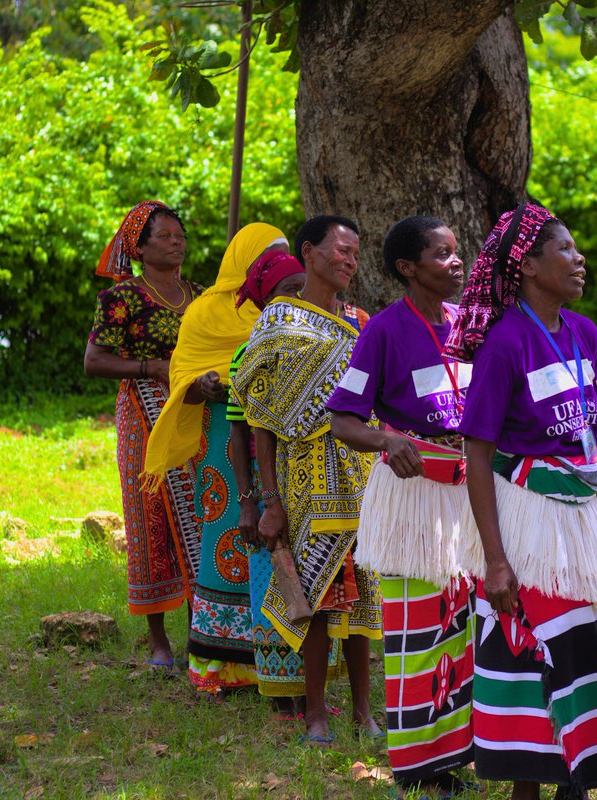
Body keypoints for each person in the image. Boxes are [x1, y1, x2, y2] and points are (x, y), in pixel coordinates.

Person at [446, 203, 597, 800]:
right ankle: (528, 788)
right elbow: (477, 456)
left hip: (579, 520)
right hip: (523, 517)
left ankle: (577, 782)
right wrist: (495, 560)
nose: (580, 260)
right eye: (567, 251)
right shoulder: (504, 345)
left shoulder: (584, 332)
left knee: (585, 644)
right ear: (526, 264)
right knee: (527, 654)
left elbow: (594, 431)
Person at [328, 216, 475, 795]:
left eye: (457, 251)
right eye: (441, 254)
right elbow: (343, 419)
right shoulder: (385, 331)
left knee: (462, 627)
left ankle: (458, 755)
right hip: (412, 496)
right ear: (408, 268)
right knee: (417, 630)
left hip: (469, 494)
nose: (455, 262)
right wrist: (389, 440)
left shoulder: (469, 326)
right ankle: (418, 764)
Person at [230, 215, 383, 745]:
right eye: (340, 249)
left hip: (362, 478)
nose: (348, 260)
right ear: (309, 252)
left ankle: (363, 711)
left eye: (355, 253)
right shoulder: (278, 322)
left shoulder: (363, 323)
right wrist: (267, 500)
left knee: (363, 595)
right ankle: (316, 712)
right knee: (315, 598)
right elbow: (260, 421)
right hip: (305, 476)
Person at [140, 222, 296, 697]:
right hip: (223, 439)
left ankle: (276, 654)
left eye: (281, 256)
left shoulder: (291, 306)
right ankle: (220, 663)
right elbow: (182, 371)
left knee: (278, 535)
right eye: (264, 257)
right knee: (226, 533)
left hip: (278, 439)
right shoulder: (206, 310)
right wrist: (203, 382)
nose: (273, 265)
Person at [84, 200, 205, 669]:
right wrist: (148, 367)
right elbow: (94, 362)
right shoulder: (123, 298)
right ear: (140, 247)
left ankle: (205, 628)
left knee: (202, 514)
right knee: (149, 518)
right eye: (166, 237)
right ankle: (158, 640)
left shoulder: (198, 294)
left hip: (195, 416)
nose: (177, 243)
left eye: (181, 237)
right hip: (144, 413)